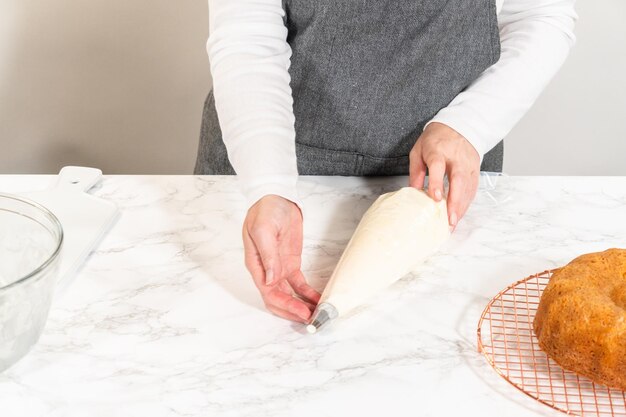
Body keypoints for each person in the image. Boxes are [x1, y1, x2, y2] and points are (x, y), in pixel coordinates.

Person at [195, 0, 577, 323]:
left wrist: (467, 128)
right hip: (269, 167)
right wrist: (268, 184)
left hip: (442, 172)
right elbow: (247, 35)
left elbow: (541, 16)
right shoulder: (267, 178)